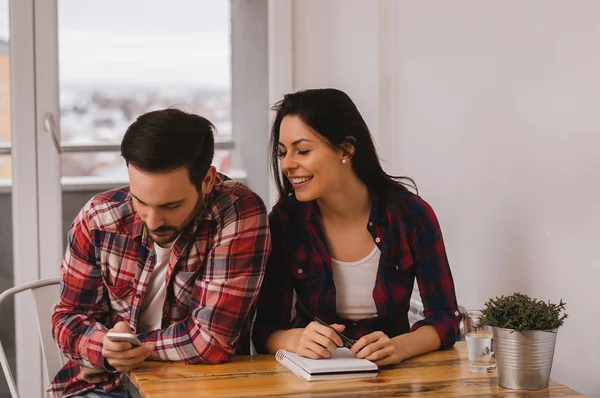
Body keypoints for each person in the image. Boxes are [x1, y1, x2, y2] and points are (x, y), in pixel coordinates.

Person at [48, 109, 271, 398]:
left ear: (207, 180)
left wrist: (124, 348)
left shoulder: (237, 212)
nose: (152, 221)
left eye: (170, 206)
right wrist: (104, 347)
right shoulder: (99, 219)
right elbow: (67, 318)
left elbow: (210, 342)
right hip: (104, 385)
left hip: (198, 385)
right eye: (140, 201)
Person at [253, 88, 460, 366]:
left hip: (392, 375)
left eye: (302, 150)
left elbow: (446, 317)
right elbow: (264, 329)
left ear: (346, 149)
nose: (288, 164)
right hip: (313, 377)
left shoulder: (412, 216)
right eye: (282, 152)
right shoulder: (285, 222)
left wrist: (400, 347)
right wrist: (295, 340)